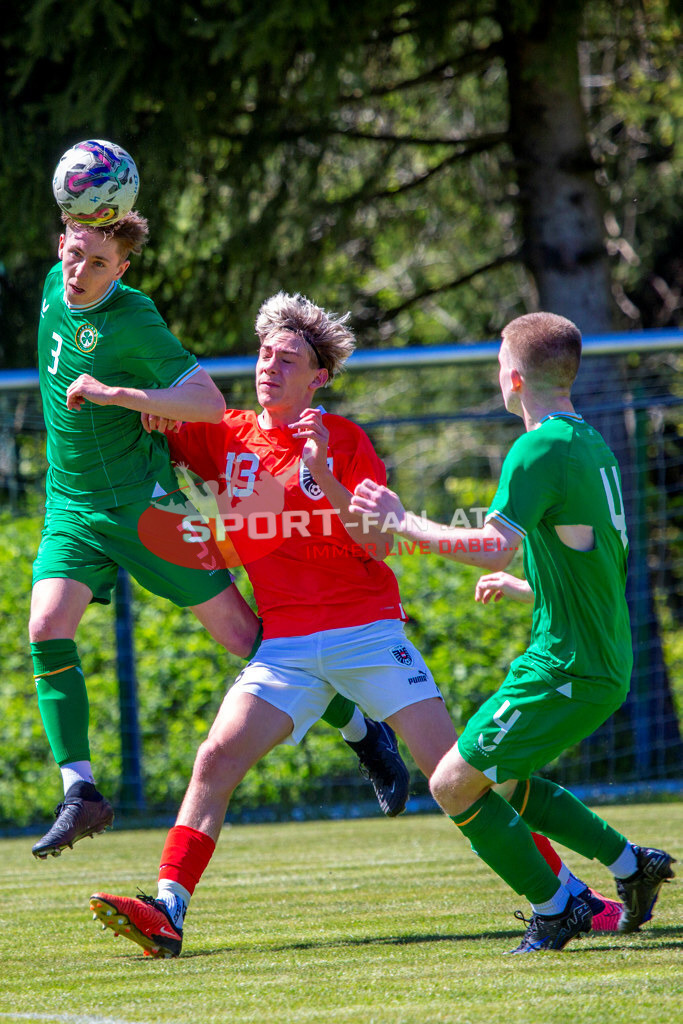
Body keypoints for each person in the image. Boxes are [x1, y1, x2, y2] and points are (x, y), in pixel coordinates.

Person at [89, 296, 622, 959]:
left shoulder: (343, 441)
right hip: (284, 646)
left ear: (319, 377)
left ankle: (570, 893)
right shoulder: (222, 434)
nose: (269, 366)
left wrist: (320, 473)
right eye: (264, 354)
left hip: (368, 633)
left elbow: (378, 543)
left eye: (289, 359)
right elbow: (161, 417)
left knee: (460, 775)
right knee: (214, 759)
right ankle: (168, 910)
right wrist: (137, 402)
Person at [30, 215, 407, 861]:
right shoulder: (52, 288)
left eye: (99, 263)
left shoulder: (135, 315)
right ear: (62, 237)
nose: (80, 272)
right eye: (75, 254)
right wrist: (151, 406)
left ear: (122, 269)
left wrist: (120, 394)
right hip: (74, 505)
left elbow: (202, 401)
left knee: (239, 635)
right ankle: (80, 791)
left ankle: (361, 729)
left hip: (151, 511)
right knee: (45, 626)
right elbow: (189, 417)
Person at [350, 311, 676, 951]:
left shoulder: (538, 447)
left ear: (515, 376)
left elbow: (493, 546)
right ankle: (631, 865)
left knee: (452, 783)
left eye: (500, 361)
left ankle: (558, 908)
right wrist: (531, 590)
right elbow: (596, 559)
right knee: (499, 778)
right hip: (591, 655)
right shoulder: (590, 442)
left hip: (568, 666)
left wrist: (402, 520)